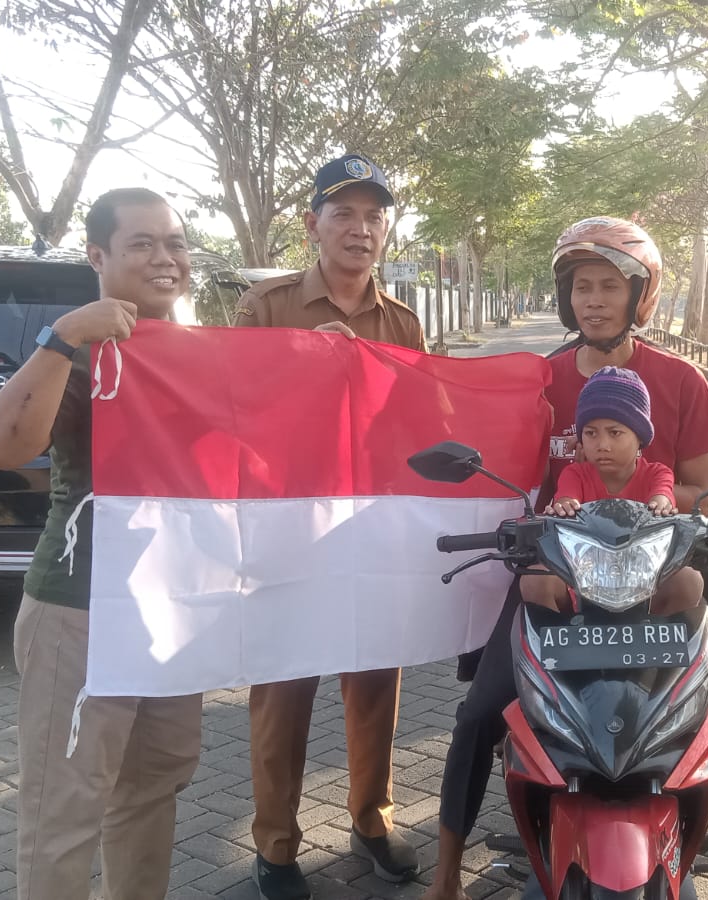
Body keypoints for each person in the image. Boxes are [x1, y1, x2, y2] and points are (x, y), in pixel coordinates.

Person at [421, 217, 708, 900]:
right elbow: (499, 460)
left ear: (639, 295)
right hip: (556, 572)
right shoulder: (533, 379)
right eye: (581, 288)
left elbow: (700, 491)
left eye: (608, 287)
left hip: (659, 572)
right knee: (480, 714)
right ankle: (446, 874)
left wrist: (649, 505)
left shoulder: (680, 379)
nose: (593, 301)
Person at [0, 188, 204, 900]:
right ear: (98, 256)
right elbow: (3, 446)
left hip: (168, 614)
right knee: (64, 809)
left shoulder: (192, 352)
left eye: (174, 242)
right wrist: (65, 335)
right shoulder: (78, 354)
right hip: (78, 611)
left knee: (154, 786)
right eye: (142, 244)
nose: (164, 258)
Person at [235, 153, 424, 899]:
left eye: (374, 215)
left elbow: (414, 424)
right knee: (283, 691)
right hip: (288, 529)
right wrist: (315, 369)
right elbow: (238, 416)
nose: (360, 228)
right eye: (343, 213)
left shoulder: (403, 321)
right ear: (312, 224)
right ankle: (276, 844)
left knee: (375, 682)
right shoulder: (267, 309)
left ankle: (371, 819)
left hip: (372, 530)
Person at [521, 366, 704, 614]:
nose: (602, 445)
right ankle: (552, 645)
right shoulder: (574, 474)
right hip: (581, 584)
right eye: (591, 433)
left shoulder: (658, 474)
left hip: (646, 584)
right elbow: (567, 497)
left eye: (615, 433)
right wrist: (562, 506)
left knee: (689, 581)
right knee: (534, 581)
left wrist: (662, 502)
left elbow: (662, 495)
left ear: (640, 436)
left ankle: (664, 643)